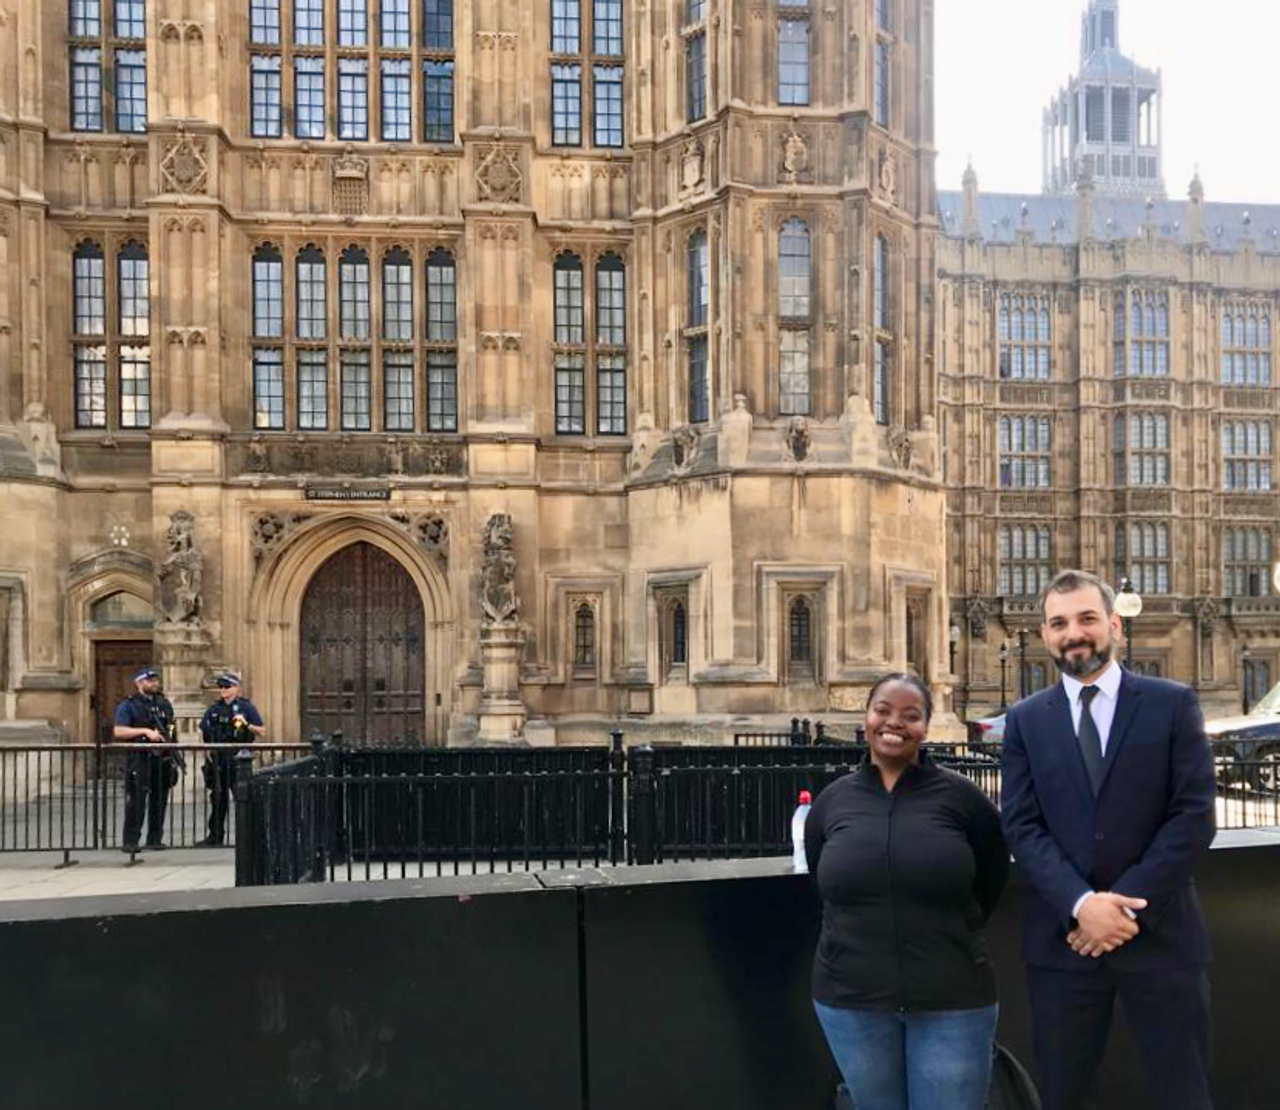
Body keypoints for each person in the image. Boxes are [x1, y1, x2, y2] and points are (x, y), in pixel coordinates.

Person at [1000, 569, 1217, 1110]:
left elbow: (1193, 816)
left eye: (1087, 619)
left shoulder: (1172, 703)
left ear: (1114, 625)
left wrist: (1123, 913)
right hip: (1064, 946)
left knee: (1183, 1093)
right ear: (1045, 634)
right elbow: (1023, 826)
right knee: (1063, 1095)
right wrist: (1081, 905)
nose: (1074, 633)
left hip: (1162, 940)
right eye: (1059, 622)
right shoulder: (1026, 721)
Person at [804, 673, 1010, 1110]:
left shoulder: (964, 799)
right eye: (883, 710)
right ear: (867, 717)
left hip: (952, 999)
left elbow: (990, 880)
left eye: (910, 715)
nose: (893, 723)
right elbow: (824, 882)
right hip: (852, 1000)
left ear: (926, 727)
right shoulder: (833, 801)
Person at [112, 666, 179, 852]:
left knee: (159, 801)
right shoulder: (129, 705)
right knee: (136, 801)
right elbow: (119, 731)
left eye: (156, 680)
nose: (155, 683)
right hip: (139, 758)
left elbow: (172, 729)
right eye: (150, 680)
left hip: (162, 758)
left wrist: (173, 751)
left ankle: (154, 839)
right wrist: (145, 731)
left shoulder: (164, 704)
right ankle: (131, 841)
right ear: (139, 683)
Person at [198, 672, 265, 846]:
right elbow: (203, 730)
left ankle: (249, 836)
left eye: (227, 687)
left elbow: (261, 730)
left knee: (243, 798)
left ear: (237, 688)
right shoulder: (214, 709)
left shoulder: (246, 707)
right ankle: (215, 836)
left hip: (239, 759)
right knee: (218, 799)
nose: (223, 690)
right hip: (218, 759)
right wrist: (206, 753)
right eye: (221, 687)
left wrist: (246, 724)